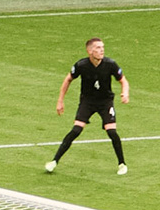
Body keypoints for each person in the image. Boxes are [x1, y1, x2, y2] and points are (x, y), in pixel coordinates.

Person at [47, 36, 129, 174]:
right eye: (98, 48)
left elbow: (123, 81)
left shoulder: (110, 64)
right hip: (88, 102)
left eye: (103, 47)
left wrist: (125, 93)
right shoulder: (81, 65)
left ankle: (122, 164)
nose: (102, 50)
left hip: (105, 102)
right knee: (76, 130)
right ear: (90, 51)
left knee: (112, 132)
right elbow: (68, 79)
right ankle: (54, 161)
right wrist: (60, 101)